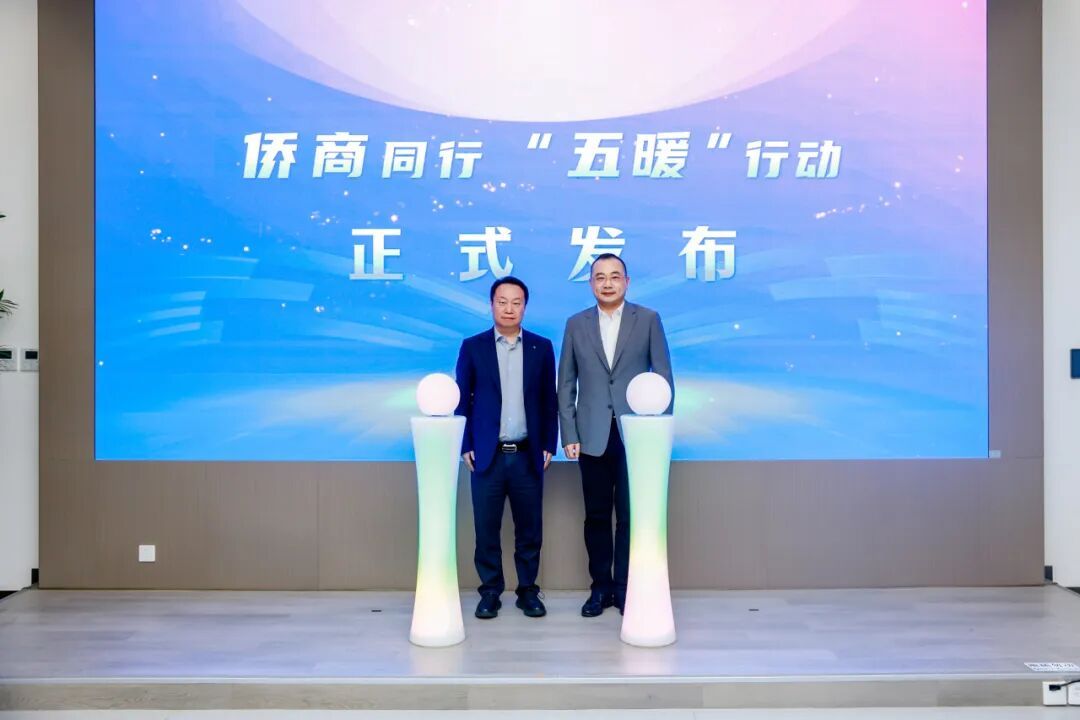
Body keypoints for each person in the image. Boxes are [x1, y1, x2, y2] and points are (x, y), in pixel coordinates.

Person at [557, 253, 674, 617]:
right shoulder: (576, 324)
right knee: (595, 516)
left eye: (614, 276)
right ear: (591, 283)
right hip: (591, 435)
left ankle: (624, 588)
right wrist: (568, 432)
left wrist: (658, 435)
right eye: (600, 277)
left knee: (629, 516)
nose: (607, 283)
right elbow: (566, 383)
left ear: (627, 281)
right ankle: (599, 588)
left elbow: (663, 379)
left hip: (635, 437)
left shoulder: (648, 319)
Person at [454, 276, 558, 619]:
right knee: (486, 529)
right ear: (492, 305)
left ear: (525, 307)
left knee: (530, 530)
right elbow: (461, 400)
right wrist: (465, 444)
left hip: (528, 454)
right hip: (487, 456)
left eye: (516, 302)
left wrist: (549, 443)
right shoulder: (473, 347)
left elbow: (549, 399)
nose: (509, 308)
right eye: (502, 301)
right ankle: (490, 592)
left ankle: (528, 591)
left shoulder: (541, 347)